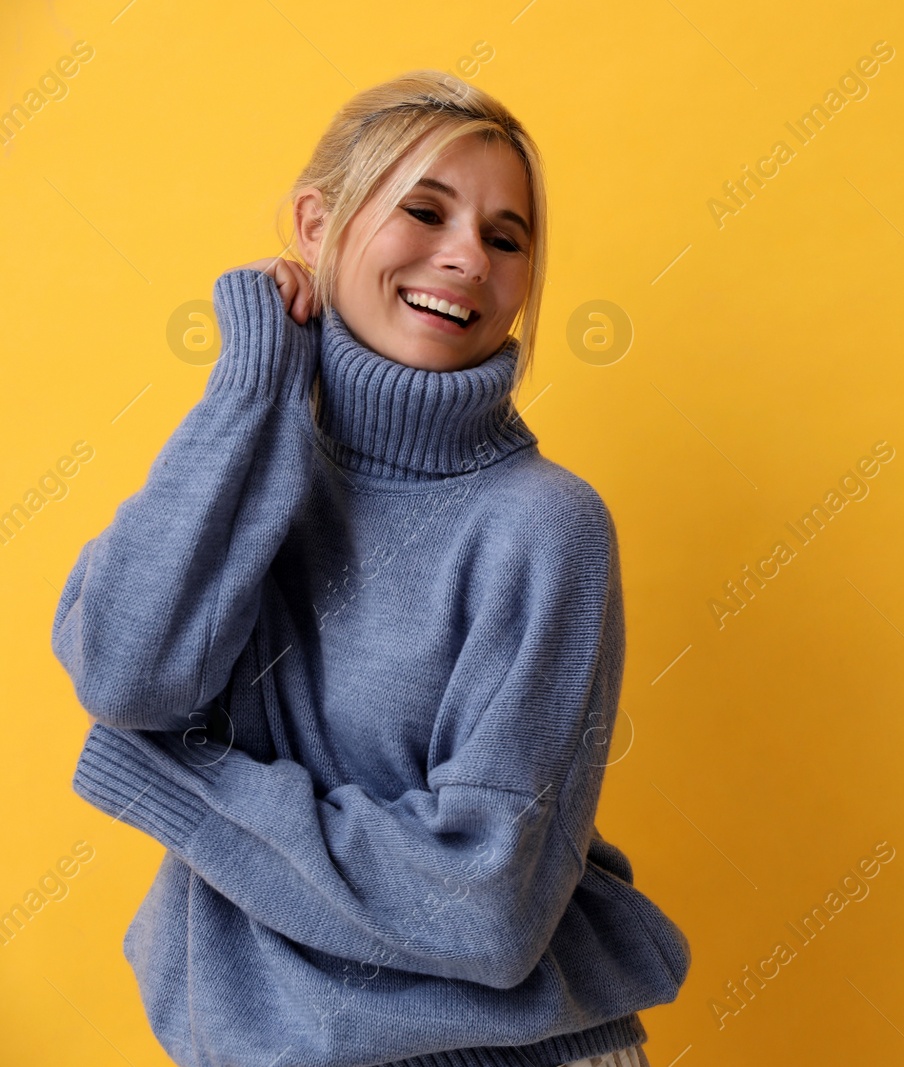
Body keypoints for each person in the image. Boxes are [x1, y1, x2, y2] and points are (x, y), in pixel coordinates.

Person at [50, 70, 689, 1067]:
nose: (467, 258)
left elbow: (484, 907)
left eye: (506, 237)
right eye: (425, 210)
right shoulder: (243, 471)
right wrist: (253, 377)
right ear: (316, 221)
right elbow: (127, 671)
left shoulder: (543, 529)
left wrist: (174, 776)